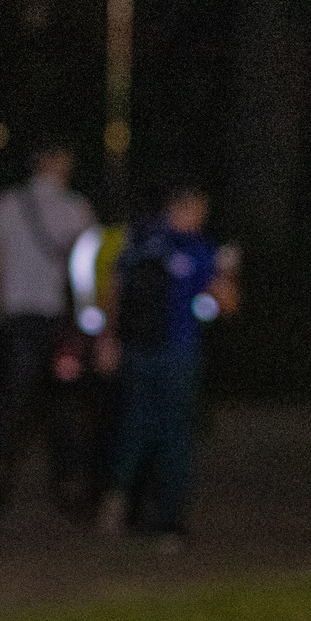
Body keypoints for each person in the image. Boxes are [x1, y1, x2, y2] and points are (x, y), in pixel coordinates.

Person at [96, 182, 237, 544]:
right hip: (179, 351)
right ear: (187, 206)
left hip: (137, 349)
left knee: (135, 423)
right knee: (176, 434)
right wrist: (227, 273)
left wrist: (109, 338)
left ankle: (116, 497)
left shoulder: (138, 239)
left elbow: (113, 288)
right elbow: (227, 304)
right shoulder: (198, 248)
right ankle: (170, 519)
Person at [0, 141, 98, 510]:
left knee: (14, 398)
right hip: (57, 316)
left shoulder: (5, 205)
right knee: (64, 400)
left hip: (17, 315)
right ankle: (67, 483)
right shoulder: (77, 209)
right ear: (54, 159)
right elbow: (85, 270)